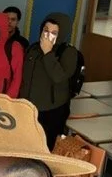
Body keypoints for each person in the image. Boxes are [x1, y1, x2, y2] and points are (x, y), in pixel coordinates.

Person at [19, 13, 79, 151]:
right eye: (46, 30)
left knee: (46, 147)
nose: (48, 35)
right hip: (29, 107)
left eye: (54, 32)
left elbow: (59, 77)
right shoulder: (33, 48)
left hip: (51, 110)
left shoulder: (68, 52)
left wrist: (48, 53)